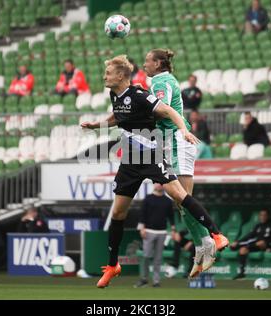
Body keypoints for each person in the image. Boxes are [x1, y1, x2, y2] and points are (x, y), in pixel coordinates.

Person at [81, 55, 223, 288]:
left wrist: (183, 129)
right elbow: (118, 116)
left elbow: (166, 110)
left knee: (180, 198)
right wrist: (97, 126)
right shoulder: (115, 94)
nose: (104, 76)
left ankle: (213, 237)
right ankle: (113, 265)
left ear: (120, 76)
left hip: (158, 149)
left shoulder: (148, 89)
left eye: (108, 73)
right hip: (130, 160)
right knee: (118, 213)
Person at [144, 48, 227, 277]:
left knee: (183, 199)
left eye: (148, 61)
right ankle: (202, 245)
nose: (144, 65)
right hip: (175, 143)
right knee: (181, 202)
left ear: (159, 63)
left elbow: (162, 111)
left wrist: (139, 111)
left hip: (176, 143)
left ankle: (206, 242)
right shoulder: (165, 80)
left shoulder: (160, 82)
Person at [134, 183, 175, 288]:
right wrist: (141, 228)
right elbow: (142, 214)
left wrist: (173, 229)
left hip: (162, 232)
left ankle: (156, 281)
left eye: (161, 183)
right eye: (157, 183)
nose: (159, 185)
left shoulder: (167, 201)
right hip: (148, 231)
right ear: (154, 185)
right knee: (146, 256)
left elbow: (171, 216)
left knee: (158, 258)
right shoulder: (148, 199)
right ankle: (144, 279)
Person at [230, 209, 271, 280]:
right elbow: (250, 235)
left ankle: (238, 245)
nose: (262, 217)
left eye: (264, 215)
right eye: (261, 215)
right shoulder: (258, 226)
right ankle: (242, 272)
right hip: (255, 245)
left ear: (268, 216)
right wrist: (239, 241)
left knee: (261, 242)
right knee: (242, 250)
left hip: (266, 245)